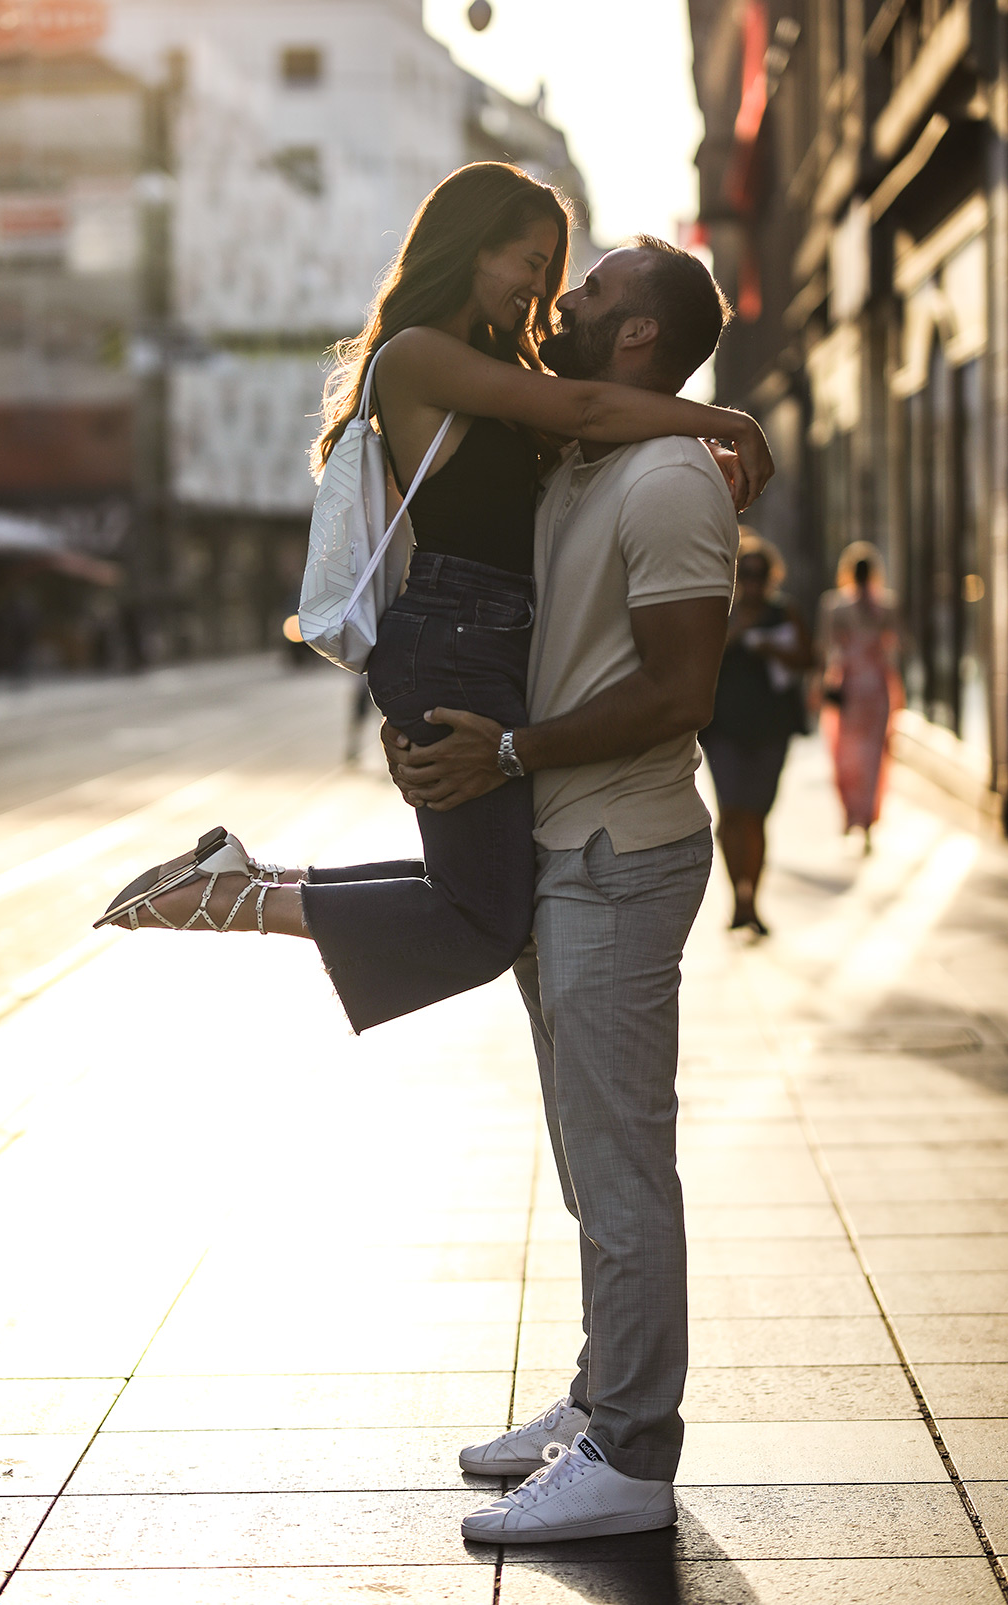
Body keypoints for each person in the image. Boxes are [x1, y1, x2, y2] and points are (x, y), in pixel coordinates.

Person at [94, 162, 772, 1041]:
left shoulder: (492, 364)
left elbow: (591, 437)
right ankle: (242, 896)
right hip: (454, 634)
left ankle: (244, 878)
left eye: (553, 269)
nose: (543, 290)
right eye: (529, 262)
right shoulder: (418, 355)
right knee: (483, 922)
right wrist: (729, 422)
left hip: (475, 640)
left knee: (482, 898)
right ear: (470, 245)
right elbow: (596, 410)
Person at [382, 239, 742, 1542]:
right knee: (594, 1163)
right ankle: (602, 1399)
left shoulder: (667, 480)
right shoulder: (585, 457)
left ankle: (635, 1454)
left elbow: (678, 691)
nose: (566, 300)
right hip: (559, 845)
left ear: (639, 335)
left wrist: (514, 750)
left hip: (621, 852)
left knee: (625, 1163)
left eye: (591, 289)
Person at [699, 529, 813, 934]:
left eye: (758, 574)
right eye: (744, 573)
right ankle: (739, 900)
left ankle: (754, 898)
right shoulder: (720, 613)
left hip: (770, 728)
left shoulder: (785, 612)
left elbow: (808, 658)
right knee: (731, 812)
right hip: (724, 729)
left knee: (756, 816)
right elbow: (695, 661)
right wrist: (736, 634)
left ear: (771, 576)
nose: (751, 581)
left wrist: (772, 647)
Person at [817, 541, 903, 853]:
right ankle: (866, 814)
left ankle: (853, 812)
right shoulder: (886, 606)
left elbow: (827, 649)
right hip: (877, 688)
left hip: (851, 686)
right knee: (873, 754)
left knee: (848, 752)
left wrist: (821, 685)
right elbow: (896, 647)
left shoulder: (835, 606)